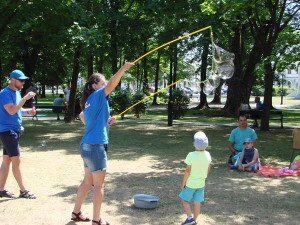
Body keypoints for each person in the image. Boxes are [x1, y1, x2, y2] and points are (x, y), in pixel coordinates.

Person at [71, 62, 133, 225]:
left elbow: (83, 116)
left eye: (105, 82)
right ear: (94, 85)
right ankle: (97, 220)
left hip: (86, 145)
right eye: (102, 82)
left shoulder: (90, 99)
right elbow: (113, 83)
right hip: (95, 147)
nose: (105, 84)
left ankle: (76, 213)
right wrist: (122, 69)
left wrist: (106, 122)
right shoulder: (98, 95)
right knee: (98, 186)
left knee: (87, 181)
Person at [0, 69, 37, 199]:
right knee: (16, 161)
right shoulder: (5, 93)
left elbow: (18, 110)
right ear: (13, 80)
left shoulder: (16, 93)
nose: (23, 82)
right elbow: (11, 110)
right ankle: (23, 190)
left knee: (6, 160)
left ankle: (1, 189)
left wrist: (28, 112)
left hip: (13, 131)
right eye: (21, 80)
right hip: (8, 132)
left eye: (23, 80)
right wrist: (25, 98)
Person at [178, 131, 212, 225]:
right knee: (197, 202)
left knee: (184, 199)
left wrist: (183, 183)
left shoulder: (191, 155)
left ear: (194, 144)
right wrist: (204, 176)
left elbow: (187, 171)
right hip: (201, 183)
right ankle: (195, 219)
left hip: (191, 183)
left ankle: (190, 218)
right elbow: (208, 168)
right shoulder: (208, 155)